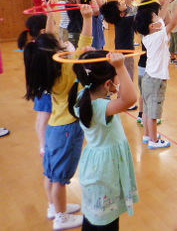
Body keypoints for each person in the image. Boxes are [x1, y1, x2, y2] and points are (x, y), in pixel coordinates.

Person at [23, 1, 94, 230]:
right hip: (67, 129)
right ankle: (61, 217)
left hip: (55, 128)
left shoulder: (48, 70)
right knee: (61, 178)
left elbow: (54, 43)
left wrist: (50, 16)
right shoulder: (65, 68)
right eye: (60, 43)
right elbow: (84, 46)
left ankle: (54, 207)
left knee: (52, 173)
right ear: (56, 54)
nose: (64, 42)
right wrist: (88, 20)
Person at [68, 51, 139, 230]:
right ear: (107, 83)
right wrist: (121, 67)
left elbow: (120, 94)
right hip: (105, 170)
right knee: (107, 220)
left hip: (94, 166)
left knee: (94, 216)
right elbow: (130, 98)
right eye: (116, 79)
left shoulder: (83, 97)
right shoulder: (100, 107)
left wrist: (91, 57)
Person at [133, 0, 177, 149]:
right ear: (152, 25)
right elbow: (174, 22)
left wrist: (167, 2)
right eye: (155, 16)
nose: (158, 17)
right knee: (154, 112)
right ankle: (154, 140)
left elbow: (162, 19)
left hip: (150, 77)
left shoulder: (149, 35)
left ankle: (148, 135)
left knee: (148, 109)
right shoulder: (158, 36)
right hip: (156, 79)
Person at [100, 0, 138, 110]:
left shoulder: (119, 19)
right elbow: (140, 16)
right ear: (121, 13)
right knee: (126, 77)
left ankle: (120, 99)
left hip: (121, 52)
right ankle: (124, 101)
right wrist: (145, 2)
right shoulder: (126, 21)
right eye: (120, 5)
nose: (123, 3)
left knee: (122, 76)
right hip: (126, 55)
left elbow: (127, 4)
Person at [19, 14, 51, 155]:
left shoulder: (32, 46)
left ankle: (43, 144)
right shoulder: (40, 49)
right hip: (44, 89)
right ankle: (43, 146)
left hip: (38, 88)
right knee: (43, 118)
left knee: (41, 118)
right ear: (43, 31)